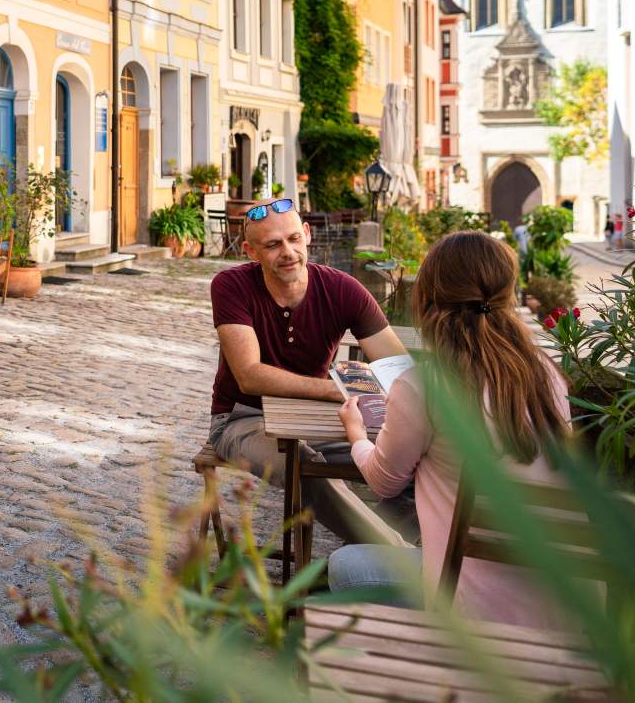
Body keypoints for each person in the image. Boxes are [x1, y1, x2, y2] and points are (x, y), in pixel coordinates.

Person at [328, 230, 573, 628]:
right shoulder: (546, 372)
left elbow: (383, 482)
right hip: (558, 604)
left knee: (345, 566)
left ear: (426, 298)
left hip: (468, 603)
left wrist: (357, 435)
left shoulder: (426, 385)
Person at [209, 199, 412, 545]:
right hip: (241, 418)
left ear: (307, 235)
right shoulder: (231, 286)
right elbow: (250, 375)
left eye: (293, 239)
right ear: (250, 251)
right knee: (302, 464)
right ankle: (400, 559)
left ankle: (403, 551)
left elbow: (398, 368)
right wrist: (337, 389)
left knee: (412, 454)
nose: (287, 252)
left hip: (313, 419)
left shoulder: (343, 289)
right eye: (272, 245)